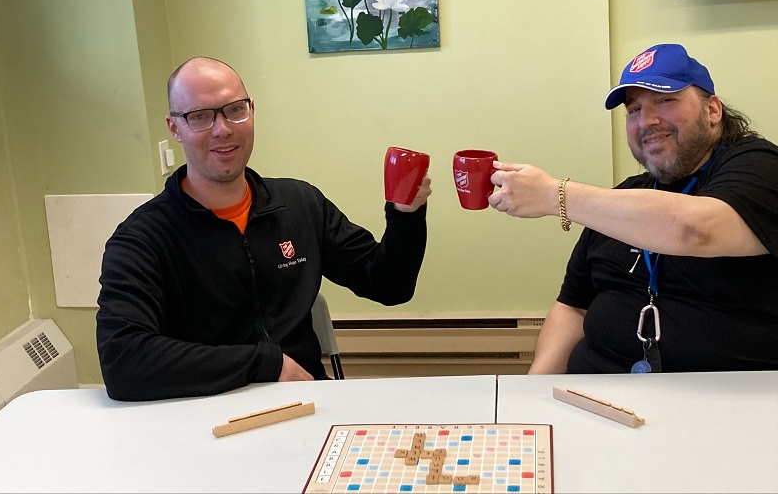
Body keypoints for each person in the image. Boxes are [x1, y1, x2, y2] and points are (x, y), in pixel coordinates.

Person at [96, 57, 431, 401]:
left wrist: (406, 214)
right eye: (199, 116)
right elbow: (123, 361)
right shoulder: (141, 239)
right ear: (174, 127)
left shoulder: (300, 204)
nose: (222, 129)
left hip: (306, 407)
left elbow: (389, 285)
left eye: (234, 110)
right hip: (204, 417)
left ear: (251, 111)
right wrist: (265, 363)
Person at [488, 43, 778, 374]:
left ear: (712, 111)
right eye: (634, 110)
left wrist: (556, 195)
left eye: (666, 100)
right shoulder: (626, 196)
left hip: (728, 408)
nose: (647, 121)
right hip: (594, 399)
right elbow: (572, 308)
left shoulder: (759, 166)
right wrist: (533, 394)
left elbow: (696, 229)